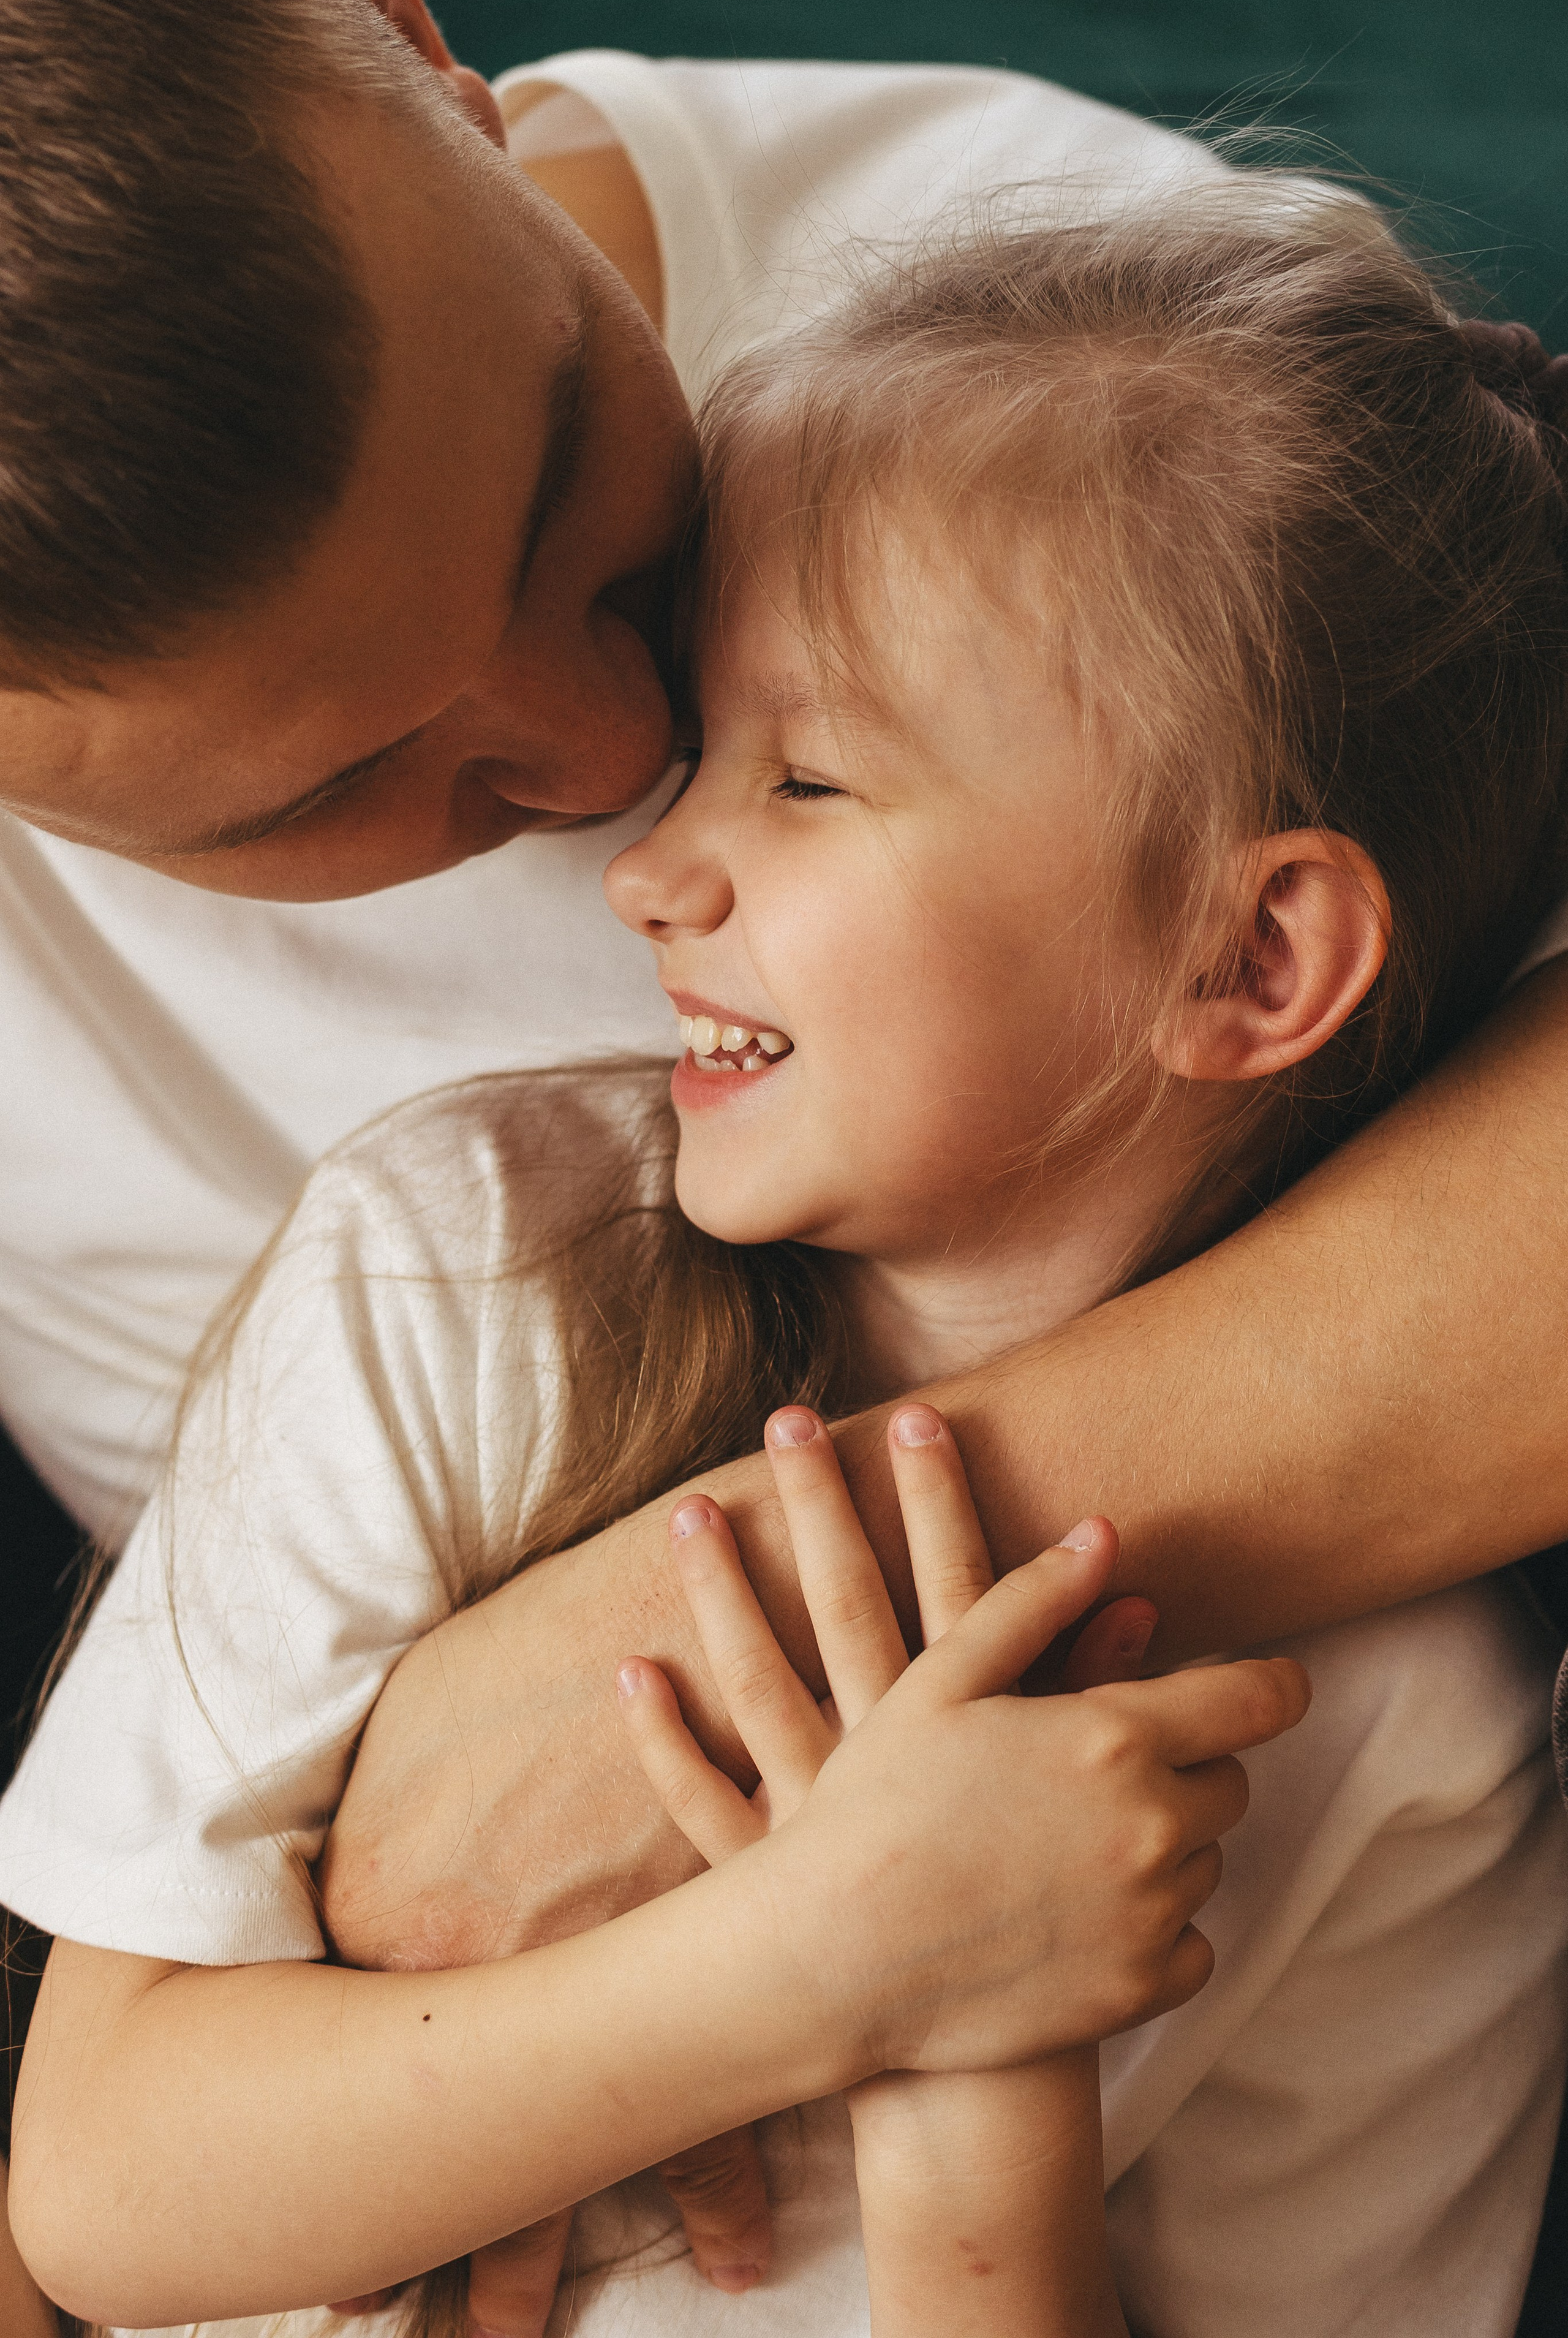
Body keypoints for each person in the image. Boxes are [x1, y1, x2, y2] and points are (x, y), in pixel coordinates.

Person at [7, 186, 1568, 2337]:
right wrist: (804, 1974)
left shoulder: (1413, 1718)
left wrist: (972, 2094)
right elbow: (99, 2195)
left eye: (810, 774)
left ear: (1253, 950)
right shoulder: (448, 1281)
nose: (645, 863)